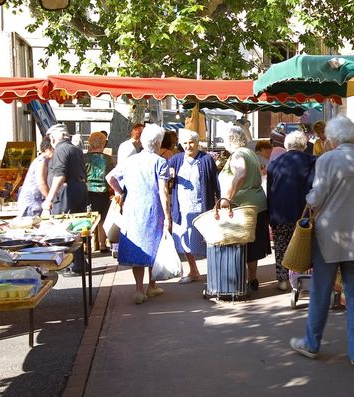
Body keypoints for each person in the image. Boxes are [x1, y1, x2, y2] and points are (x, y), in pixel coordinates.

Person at [290, 116, 354, 373]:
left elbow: (316, 197)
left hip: (329, 235)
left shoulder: (327, 160)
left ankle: (311, 343)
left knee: (321, 289)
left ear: (333, 138)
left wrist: (308, 196)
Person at [106, 124, 171, 304]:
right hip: (153, 209)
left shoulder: (129, 161)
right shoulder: (160, 162)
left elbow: (109, 178)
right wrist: (168, 216)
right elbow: (163, 192)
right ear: (158, 143)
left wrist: (121, 192)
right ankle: (152, 285)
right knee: (153, 247)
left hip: (132, 209)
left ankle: (139, 289)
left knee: (138, 247)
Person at [219, 126, 271, 292]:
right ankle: (252, 278)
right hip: (257, 203)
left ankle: (239, 280)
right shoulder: (250, 153)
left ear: (230, 140)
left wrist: (228, 197)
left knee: (241, 243)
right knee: (254, 244)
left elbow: (241, 174)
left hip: (243, 206)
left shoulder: (238, 154)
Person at [169, 129, 220, 283]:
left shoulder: (205, 159)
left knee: (207, 241)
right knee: (185, 240)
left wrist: (219, 200)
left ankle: (214, 273)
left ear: (197, 143)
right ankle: (193, 271)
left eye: (191, 142)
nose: (188, 146)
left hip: (201, 207)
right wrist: (169, 175)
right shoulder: (176, 159)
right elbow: (165, 177)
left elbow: (215, 181)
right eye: (185, 143)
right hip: (182, 208)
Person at [267, 130, 316, 290]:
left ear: (286, 145)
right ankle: (304, 279)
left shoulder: (275, 163)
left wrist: (270, 215)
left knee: (282, 245)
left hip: (280, 212)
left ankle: (283, 281)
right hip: (304, 212)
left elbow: (270, 191)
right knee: (305, 246)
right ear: (303, 145)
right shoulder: (311, 161)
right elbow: (313, 186)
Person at [42, 124, 88, 216]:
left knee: (63, 226)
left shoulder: (60, 150)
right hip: (79, 192)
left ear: (52, 138)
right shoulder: (76, 150)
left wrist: (49, 199)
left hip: (66, 196)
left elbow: (60, 176)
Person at [85, 132, 115, 253]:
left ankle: (87, 246)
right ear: (103, 143)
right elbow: (111, 175)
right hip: (103, 191)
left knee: (88, 219)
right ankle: (103, 245)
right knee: (102, 219)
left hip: (88, 191)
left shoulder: (84, 158)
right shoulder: (107, 159)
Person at [16, 138, 54, 217]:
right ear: (48, 148)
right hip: (31, 202)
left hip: (34, 201)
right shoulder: (42, 160)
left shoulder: (44, 160)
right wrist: (49, 199)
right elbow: (41, 183)